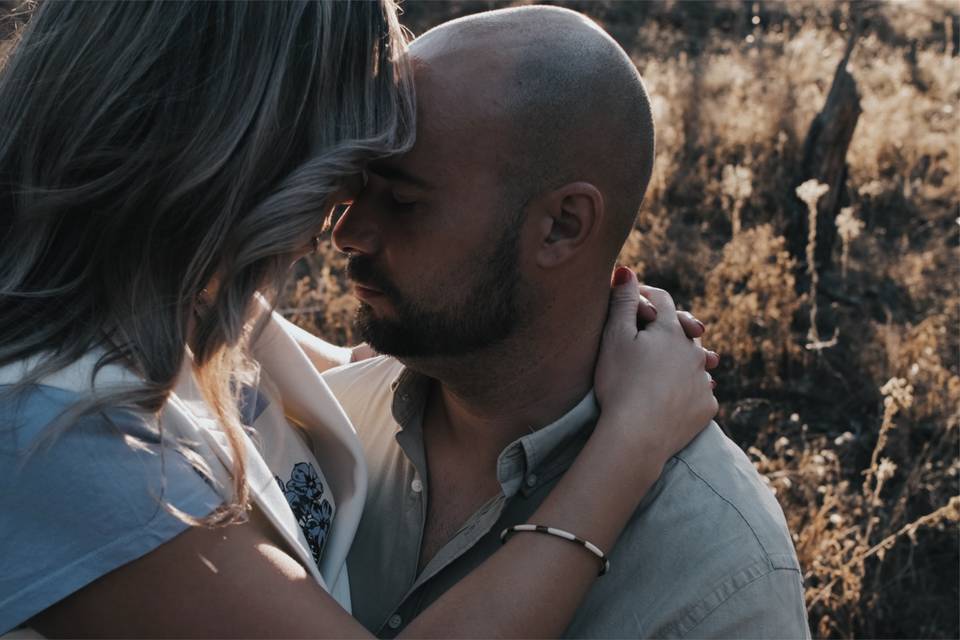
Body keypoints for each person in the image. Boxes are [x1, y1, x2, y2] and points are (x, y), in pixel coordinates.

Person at [0, 1, 719, 637]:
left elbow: (341, 376)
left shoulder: (157, 305)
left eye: (391, 194)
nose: (335, 223)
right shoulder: (64, 447)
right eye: (337, 166)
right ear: (235, 144)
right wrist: (632, 440)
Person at [324, 6, 810, 638]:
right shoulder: (325, 428)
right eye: (354, 188)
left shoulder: (719, 578)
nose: (348, 231)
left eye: (405, 201)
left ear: (563, 226)